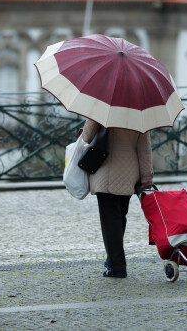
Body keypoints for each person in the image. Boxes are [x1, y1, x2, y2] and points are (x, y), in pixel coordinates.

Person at [81, 119, 153, 278]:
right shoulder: (140, 114)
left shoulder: (103, 109)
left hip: (105, 172)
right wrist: (147, 177)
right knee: (119, 218)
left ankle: (117, 266)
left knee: (110, 222)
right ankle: (112, 259)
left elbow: (86, 137)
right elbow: (144, 150)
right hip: (129, 173)